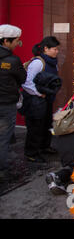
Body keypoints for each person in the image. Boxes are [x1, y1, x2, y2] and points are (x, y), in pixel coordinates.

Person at [22, 36, 61, 163]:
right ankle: (31, 153)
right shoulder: (38, 62)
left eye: (57, 49)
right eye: (54, 49)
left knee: (46, 123)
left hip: (47, 99)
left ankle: (44, 146)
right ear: (46, 49)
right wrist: (39, 93)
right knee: (35, 126)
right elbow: (26, 82)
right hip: (36, 100)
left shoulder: (53, 62)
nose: (57, 51)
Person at [0, 25, 27, 182]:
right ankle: (3, 171)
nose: (18, 43)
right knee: (3, 138)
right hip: (5, 105)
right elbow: (22, 79)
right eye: (16, 41)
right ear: (6, 41)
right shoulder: (12, 60)